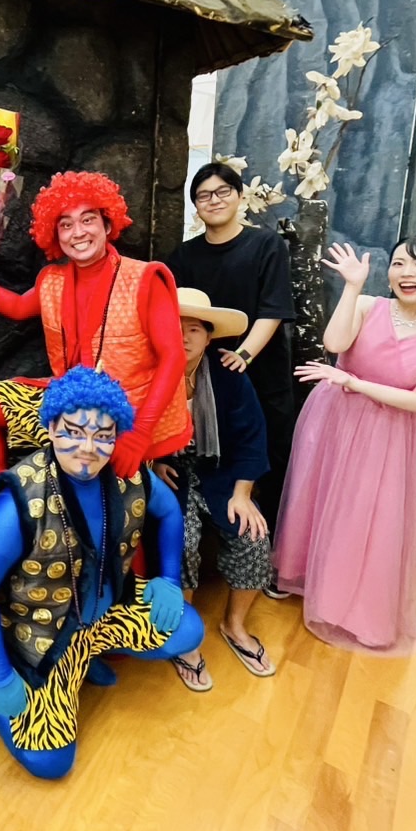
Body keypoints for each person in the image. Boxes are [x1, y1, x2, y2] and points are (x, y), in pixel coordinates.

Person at [0, 367, 205, 779]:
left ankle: (85, 656)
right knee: (51, 762)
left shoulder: (127, 474)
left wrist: (170, 580)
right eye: (74, 432)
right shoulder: (22, 497)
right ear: (51, 427)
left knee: (187, 630)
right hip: (41, 633)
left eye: (102, 435)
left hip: (105, 614)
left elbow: (169, 511)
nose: (88, 448)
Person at [273, 237, 416, 654]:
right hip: (333, 417)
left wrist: (353, 383)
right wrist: (352, 287)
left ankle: (348, 605)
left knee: (365, 515)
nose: (407, 273)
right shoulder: (369, 305)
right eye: (399, 263)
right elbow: (335, 344)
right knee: (317, 497)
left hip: (388, 432)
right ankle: (303, 575)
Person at [0, 170, 189, 516]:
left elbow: (173, 358)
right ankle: (0, 497)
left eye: (88, 220)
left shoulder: (144, 278)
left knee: (115, 515)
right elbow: (17, 307)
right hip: (65, 401)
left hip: (124, 417)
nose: (77, 232)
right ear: (54, 233)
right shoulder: (53, 280)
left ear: (108, 224)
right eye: (65, 224)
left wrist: (139, 433)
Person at [165, 163, 297, 598]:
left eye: (223, 191)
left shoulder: (266, 244)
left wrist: (242, 355)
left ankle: (265, 563)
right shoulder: (183, 257)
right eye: (204, 195)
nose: (214, 200)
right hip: (201, 369)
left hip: (257, 368)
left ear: (239, 196)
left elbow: (273, 310)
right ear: (195, 206)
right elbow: (177, 317)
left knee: (266, 456)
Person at [156, 289, 277, 691]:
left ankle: (234, 625)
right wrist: (154, 461)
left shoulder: (228, 377)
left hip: (220, 472)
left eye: (194, 329)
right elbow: (135, 428)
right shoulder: (149, 372)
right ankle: (185, 635)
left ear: (209, 337)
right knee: (181, 539)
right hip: (169, 474)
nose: (184, 336)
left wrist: (242, 494)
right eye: (175, 326)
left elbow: (252, 438)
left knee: (253, 535)